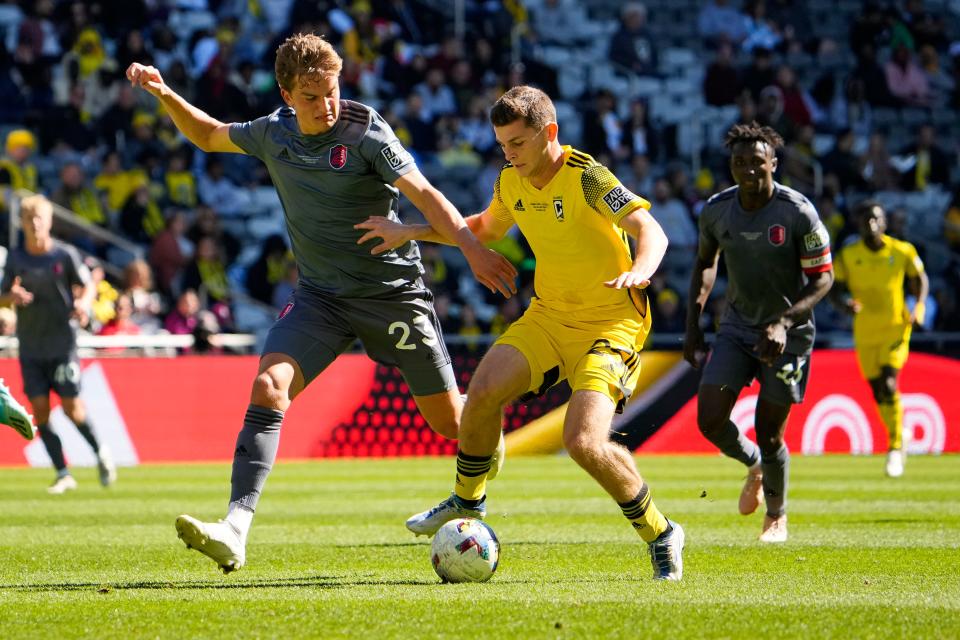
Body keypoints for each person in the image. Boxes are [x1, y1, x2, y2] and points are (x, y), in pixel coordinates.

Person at [125, 33, 516, 573]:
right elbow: (211, 135)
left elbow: (425, 193)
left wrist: (471, 249)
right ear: (287, 94)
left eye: (331, 91)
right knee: (268, 386)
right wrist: (164, 92)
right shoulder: (273, 133)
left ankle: (484, 439)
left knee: (454, 424)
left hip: (393, 297)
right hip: (321, 298)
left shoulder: (366, 132)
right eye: (311, 96)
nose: (326, 104)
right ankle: (235, 529)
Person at [357, 85, 685, 581]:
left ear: (548, 133)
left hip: (611, 324)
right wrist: (411, 232)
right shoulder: (511, 181)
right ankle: (467, 502)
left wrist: (641, 270)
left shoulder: (589, 177)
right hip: (550, 317)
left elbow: (651, 230)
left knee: (583, 442)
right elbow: (484, 229)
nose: (508, 155)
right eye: (502, 145)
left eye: (517, 143)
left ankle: (661, 533)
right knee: (484, 391)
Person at [683, 122, 833, 543]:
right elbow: (705, 264)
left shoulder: (797, 211)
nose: (747, 169)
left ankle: (776, 516)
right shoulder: (716, 209)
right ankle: (752, 464)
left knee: (770, 431)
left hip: (789, 334)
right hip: (736, 327)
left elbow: (823, 278)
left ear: (773, 163)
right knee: (709, 419)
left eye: (756, 161)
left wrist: (784, 322)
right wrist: (693, 326)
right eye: (739, 162)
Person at [0, 195, 117, 493]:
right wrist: (10, 298)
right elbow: (2, 294)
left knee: (71, 408)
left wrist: (83, 304)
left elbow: (87, 285)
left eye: (39, 218)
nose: (35, 223)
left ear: (49, 221)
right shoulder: (16, 258)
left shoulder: (63, 256)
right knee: (39, 412)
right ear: (22, 223)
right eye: (29, 219)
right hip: (30, 346)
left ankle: (100, 452)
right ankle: (63, 472)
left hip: (62, 344)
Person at [830, 202, 928, 478]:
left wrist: (918, 307)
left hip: (895, 327)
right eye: (865, 220)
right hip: (865, 330)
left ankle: (895, 446)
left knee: (888, 381)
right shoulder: (849, 255)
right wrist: (844, 304)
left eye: (875, 219)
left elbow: (919, 279)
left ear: (884, 222)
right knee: (878, 391)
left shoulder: (901, 251)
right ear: (858, 224)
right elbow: (833, 287)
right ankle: (900, 431)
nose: (870, 224)